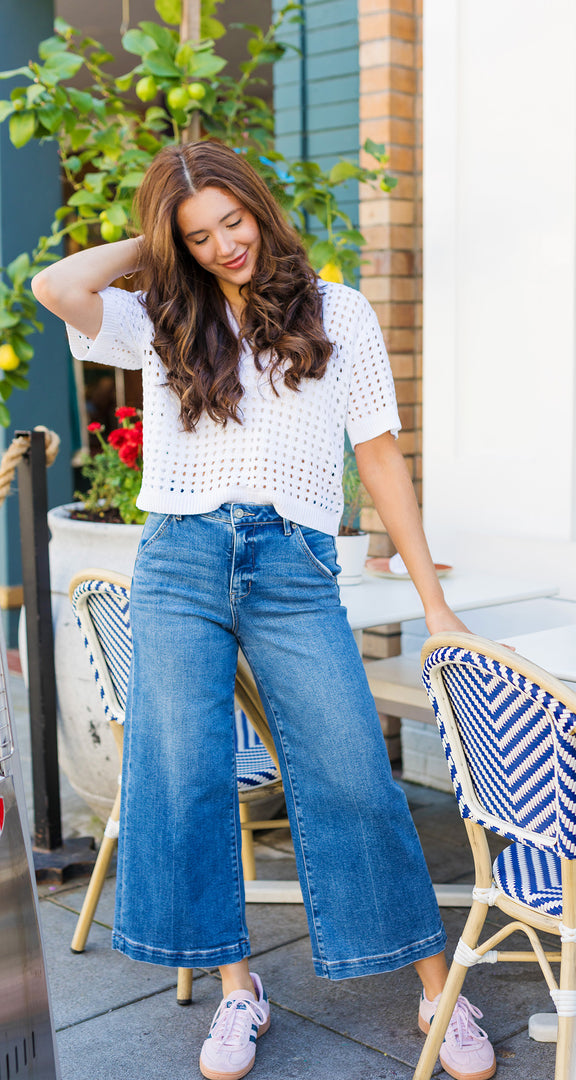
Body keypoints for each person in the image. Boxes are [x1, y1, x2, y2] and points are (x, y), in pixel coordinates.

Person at [32, 140, 496, 1080]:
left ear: (260, 208)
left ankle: (436, 992)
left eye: (231, 222)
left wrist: (433, 604)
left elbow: (377, 459)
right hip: (181, 558)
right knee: (183, 775)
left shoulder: (342, 313)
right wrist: (155, 240)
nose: (222, 246)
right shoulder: (161, 311)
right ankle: (239, 992)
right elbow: (55, 286)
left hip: (292, 565)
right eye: (198, 235)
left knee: (352, 770)